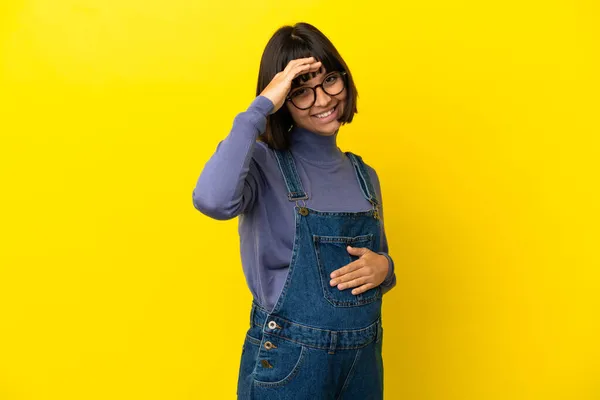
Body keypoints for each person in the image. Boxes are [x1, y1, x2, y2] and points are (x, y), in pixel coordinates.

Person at [193, 22, 397, 400]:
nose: (322, 100)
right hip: (291, 365)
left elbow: (379, 259)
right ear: (283, 99)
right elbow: (212, 200)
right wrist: (260, 107)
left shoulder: (364, 175)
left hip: (363, 365)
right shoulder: (261, 163)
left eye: (330, 80)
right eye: (301, 91)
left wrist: (385, 268)